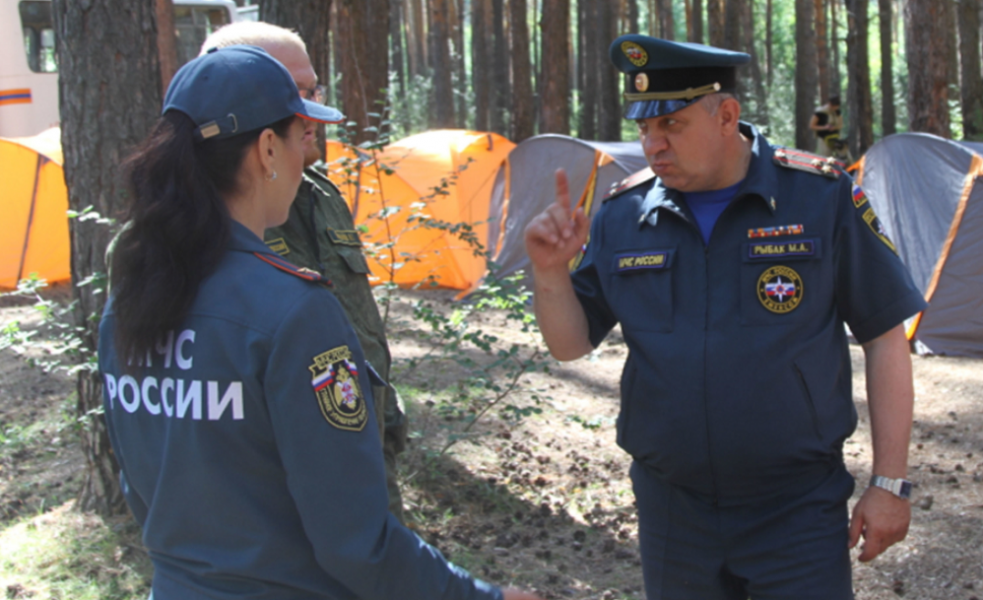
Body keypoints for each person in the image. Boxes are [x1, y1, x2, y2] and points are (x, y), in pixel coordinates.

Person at [100, 45, 542, 600]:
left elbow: (140, 489)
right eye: (297, 132)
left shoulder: (131, 299)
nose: (308, 148)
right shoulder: (291, 310)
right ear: (266, 150)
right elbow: (354, 542)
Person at [524, 34, 926, 600]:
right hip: (673, 511)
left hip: (795, 509)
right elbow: (570, 345)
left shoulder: (820, 197)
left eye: (671, 125)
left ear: (726, 116)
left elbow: (885, 337)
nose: (653, 145)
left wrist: (889, 483)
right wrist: (549, 273)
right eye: (644, 129)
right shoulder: (624, 214)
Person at [199, 22, 408, 522]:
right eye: (294, 92)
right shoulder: (195, 226)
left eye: (312, 88)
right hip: (279, 515)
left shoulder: (320, 195)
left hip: (364, 481)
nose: (312, 107)